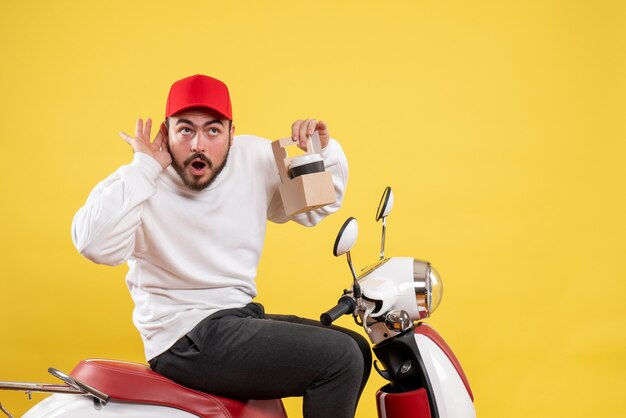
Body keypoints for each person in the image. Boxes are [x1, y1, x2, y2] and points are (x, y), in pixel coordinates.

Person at [71, 74, 372, 418]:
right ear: (166, 132)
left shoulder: (254, 158)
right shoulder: (142, 180)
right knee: (340, 358)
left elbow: (316, 207)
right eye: (185, 130)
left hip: (236, 319)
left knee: (358, 349)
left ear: (232, 132)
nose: (199, 144)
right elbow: (93, 245)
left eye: (213, 130)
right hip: (182, 340)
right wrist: (144, 166)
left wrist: (322, 151)